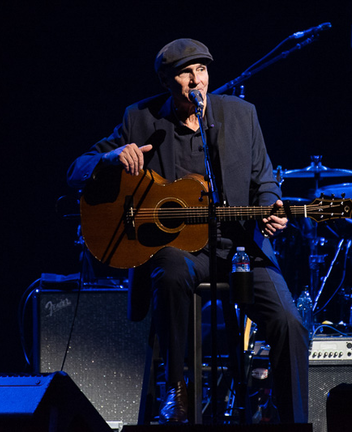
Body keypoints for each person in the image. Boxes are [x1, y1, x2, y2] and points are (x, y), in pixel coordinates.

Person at [67, 39, 309, 424]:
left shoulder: (242, 115)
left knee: (288, 321)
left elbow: (264, 180)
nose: (195, 80)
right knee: (172, 272)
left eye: (201, 70)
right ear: (167, 80)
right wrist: (113, 157)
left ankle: (293, 417)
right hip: (178, 249)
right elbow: (77, 169)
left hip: (241, 246)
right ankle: (176, 388)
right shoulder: (140, 118)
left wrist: (272, 208)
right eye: (185, 72)